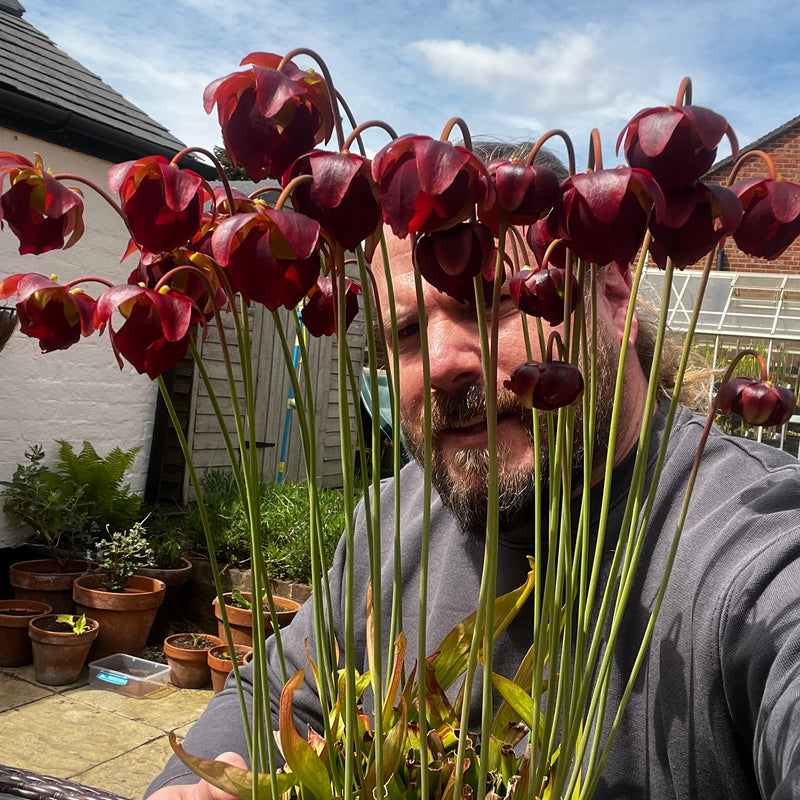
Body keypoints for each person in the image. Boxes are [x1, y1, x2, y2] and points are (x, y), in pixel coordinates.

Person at [146, 231, 800, 800]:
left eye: (492, 301)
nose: (441, 365)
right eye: (404, 332)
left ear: (613, 289)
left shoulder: (751, 541)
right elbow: (280, 698)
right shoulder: (390, 519)